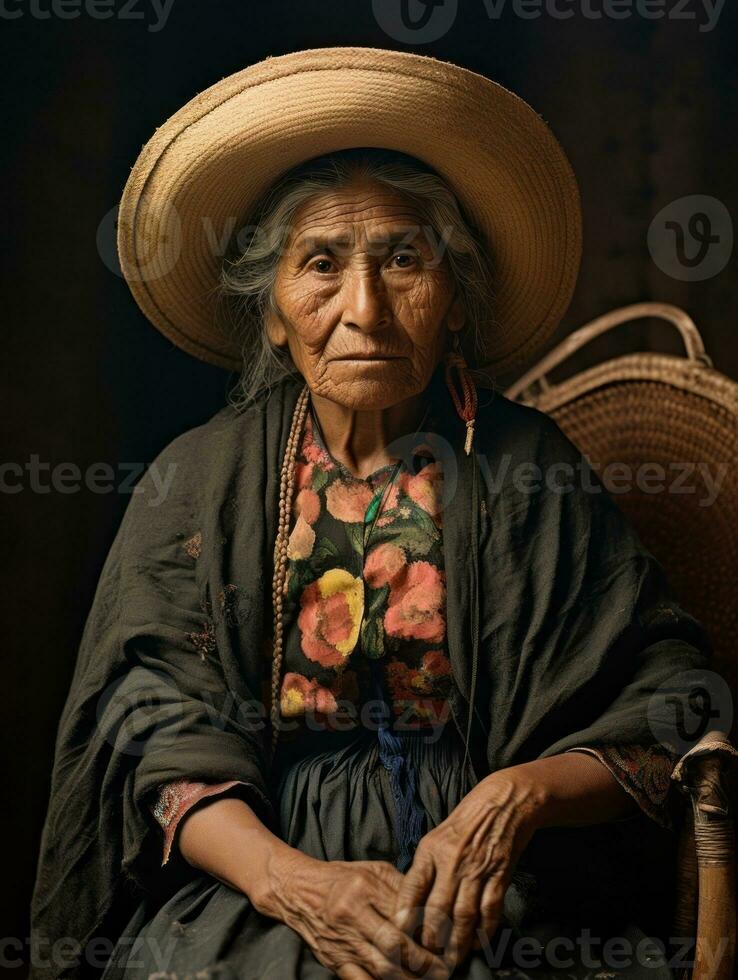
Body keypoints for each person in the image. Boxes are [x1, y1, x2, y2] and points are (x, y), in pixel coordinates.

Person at [31, 48, 711, 980]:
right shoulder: (201, 477)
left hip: (495, 883)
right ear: (272, 313)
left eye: (404, 260)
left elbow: (668, 703)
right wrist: (290, 883)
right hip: (255, 874)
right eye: (320, 263)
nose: (365, 309)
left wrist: (516, 797)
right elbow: (152, 729)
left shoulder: (528, 467)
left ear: (456, 304)